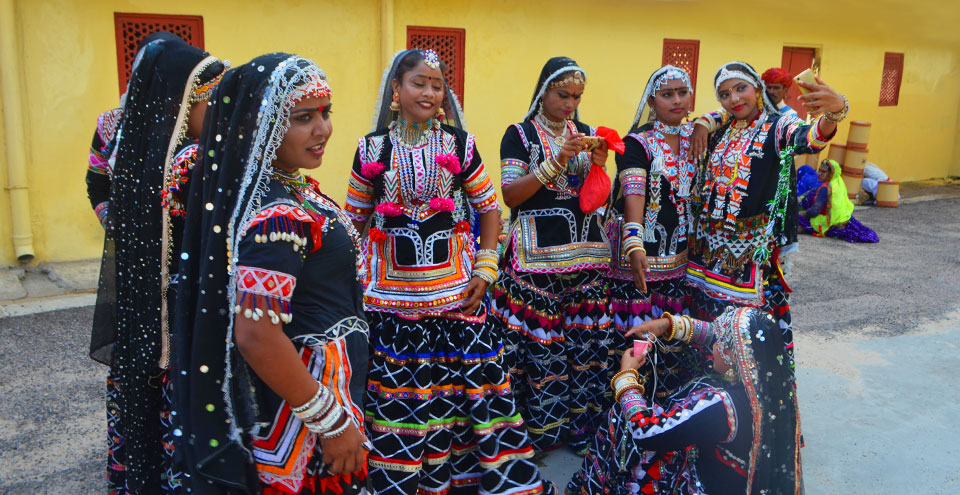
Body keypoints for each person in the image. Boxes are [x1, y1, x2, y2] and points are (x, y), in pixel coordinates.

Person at [345, 49, 555, 495]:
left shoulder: (460, 144)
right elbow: (355, 219)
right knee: (403, 398)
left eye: (437, 85)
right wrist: (350, 280)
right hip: (390, 299)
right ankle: (408, 482)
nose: (429, 92)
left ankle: (465, 480)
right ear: (397, 91)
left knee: (466, 395)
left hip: (459, 294)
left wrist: (486, 265)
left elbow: (489, 209)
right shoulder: (372, 147)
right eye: (419, 82)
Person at [171, 54, 369, 494]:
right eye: (304, 117)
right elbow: (256, 335)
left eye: (325, 112)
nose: (323, 129)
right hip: (301, 413)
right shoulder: (276, 216)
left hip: (316, 393)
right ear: (258, 125)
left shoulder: (288, 187)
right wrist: (331, 422)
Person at [89, 32, 225, 495]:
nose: (222, 111)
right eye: (212, 100)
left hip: (156, 297)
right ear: (183, 98)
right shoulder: (183, 157)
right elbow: (97, 181)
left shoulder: (179, 151)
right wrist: (126, 230)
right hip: (174, 304)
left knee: (147, 392)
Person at [489, 56, 612, 454]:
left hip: (586, 257)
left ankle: (579, 431)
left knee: (584, 348)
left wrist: (597, 166)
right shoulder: (520, 135)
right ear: (544, 91)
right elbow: (511, 195)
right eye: (563, 94)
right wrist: (557, 158)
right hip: (534, 261)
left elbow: (593, 199)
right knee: (536, 349)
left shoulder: (588, 133)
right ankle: (536, 434)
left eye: (577, 96)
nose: (570, 104)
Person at [687, 61, 848, 361]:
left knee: (746, 353)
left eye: (741, 89)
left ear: (758, 89)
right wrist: (703, 122)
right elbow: (709, 121)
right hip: (706, 260)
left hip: (750, 263)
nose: (734, 99)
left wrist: (834, 113)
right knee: (705, 346)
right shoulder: (720, 130)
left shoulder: (776, 127)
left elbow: (809, 140)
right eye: (724, 94)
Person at [567, 307, 803, 494]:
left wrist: (626, 378)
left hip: (707, 486)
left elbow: (646, 431)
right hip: (738, 480)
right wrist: (669, 325)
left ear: (733, 356)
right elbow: (713, 332)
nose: (713, 346)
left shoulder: (722, 406)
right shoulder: (771, 381)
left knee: (621, 420)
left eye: (720, 343)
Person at [607, 65, 708, 402]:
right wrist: (634, 244)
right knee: (637, 333)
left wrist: (706, 123)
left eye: (683, 92)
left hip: (679, 259)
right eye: (667, 94)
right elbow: (633, 191)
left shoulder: (698, 134)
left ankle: (664, 403)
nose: (677, 100)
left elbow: (729, 112)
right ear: (652, 100)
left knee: (669, 330)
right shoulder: (636, 142)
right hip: (640, 260)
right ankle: (630, 401)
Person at [799, 159, 879, 242]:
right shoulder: (838, 182)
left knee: (794, 217)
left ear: (830, 174)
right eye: (819, 170)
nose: (819, 174)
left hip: (828, 223)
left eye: (823, 172)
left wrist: (801, 213)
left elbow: (815, 211)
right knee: (811, 194)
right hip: (843, 219)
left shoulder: (825, 188)